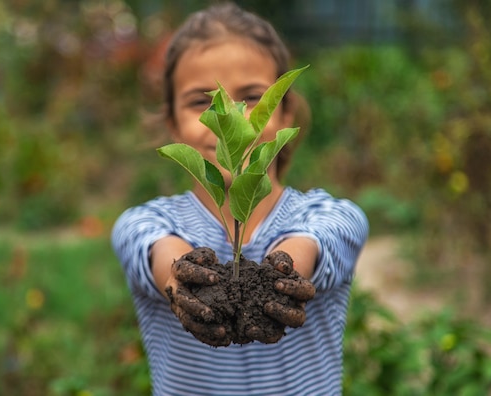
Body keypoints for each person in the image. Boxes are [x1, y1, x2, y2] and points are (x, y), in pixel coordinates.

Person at [111, 3, 369, 395]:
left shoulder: (326, 215)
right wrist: (180, 279)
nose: (231, 118)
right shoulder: (151, 223)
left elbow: (324, 238)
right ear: (172, 124)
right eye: (203, 102)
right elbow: (151, 248)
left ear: (284, 113)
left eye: (251, 98)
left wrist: (283, 272)